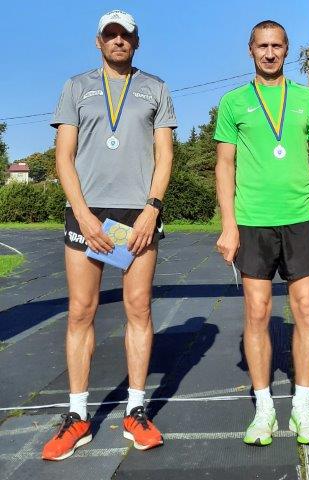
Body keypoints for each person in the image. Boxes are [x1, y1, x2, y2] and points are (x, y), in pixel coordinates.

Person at [42, 10, 177, 460]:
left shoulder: (155, 88)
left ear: (137, 42)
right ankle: (77, 416)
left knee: (139, 308)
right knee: (81, 311)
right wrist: (82, 215)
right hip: (88, 212)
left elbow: (165, 155)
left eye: (126, 35)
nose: (119, 41)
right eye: (111, 34)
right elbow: (64, 156)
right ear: (98, 41)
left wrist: (151, 209)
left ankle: (136, 411)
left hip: (138, 214)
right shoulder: (76, 87)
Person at [214, 20, 309, 447]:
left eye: (277, 46)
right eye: (262, 46)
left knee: (306, 311)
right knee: (257, 313)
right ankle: (264, 408)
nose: (269, 53)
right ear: (250, 50)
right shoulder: (233, 102)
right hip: (252, 222)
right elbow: (224, 165)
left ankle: (302, 407)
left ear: (287, 50)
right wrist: (228, 224)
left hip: (302, 220)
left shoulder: (308, 99)